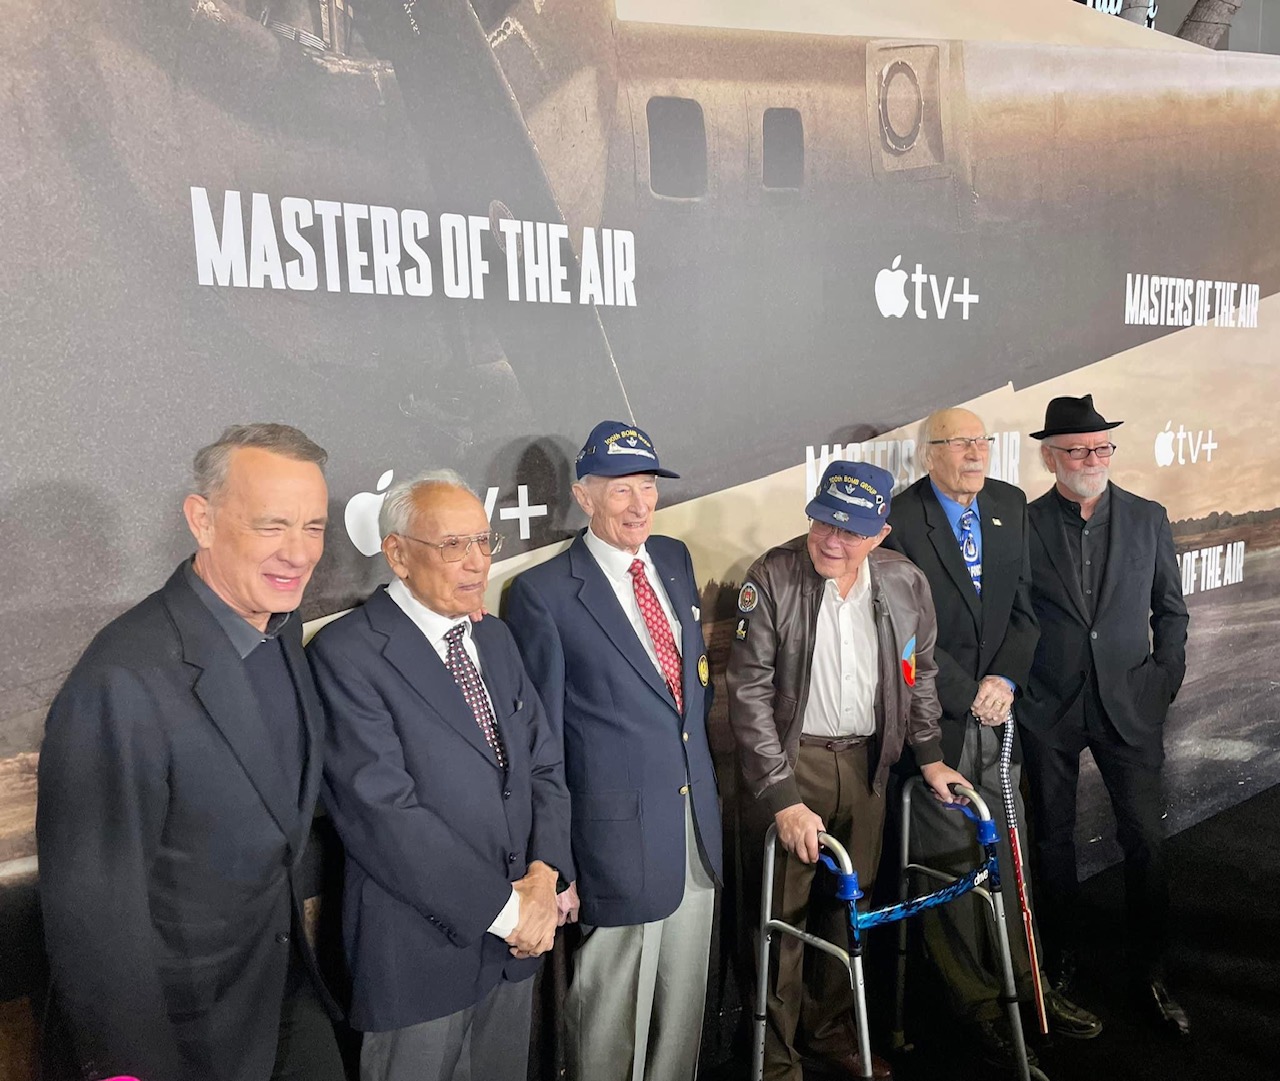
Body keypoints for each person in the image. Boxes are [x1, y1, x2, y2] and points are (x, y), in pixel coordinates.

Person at [37, 423, 344, 1081]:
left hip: (280, 990)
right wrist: (129, 1071)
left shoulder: (280, 630)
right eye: (272, 525)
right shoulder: (121, 679)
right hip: (181, 1038)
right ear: (202, 522)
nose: (299, 552)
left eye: (313, 527)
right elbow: (93, 915)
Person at [308, 471, 574, 1081]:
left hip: (516, 949)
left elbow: (543, 767)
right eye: (454, 546)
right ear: (397, 554)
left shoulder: (496, 640)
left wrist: (543, 874)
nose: (476, 563)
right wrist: (509, 913)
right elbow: (383, 816)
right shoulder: (346, 654)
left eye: (484, 543)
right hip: (418, 956)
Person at [727, 459, 970, 1081]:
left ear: (881, 533)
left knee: (848, 907)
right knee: (784, 921)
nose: (831, 541)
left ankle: (827, 1031)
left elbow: (918, 673)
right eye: (822, 523)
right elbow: (748, 691)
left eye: (850, 532)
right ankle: (776, 1059)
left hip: (868, 766)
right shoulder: (773, 575)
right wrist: (781, 795)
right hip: (792, 764)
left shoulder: (905, 583)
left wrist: (931, 754)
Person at [884, 408, 1101, 1067]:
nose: (976, 453)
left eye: (983, 441)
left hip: (1000, 718)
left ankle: (1029, 991)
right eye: (961, 443)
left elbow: (1025, 610)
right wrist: (964, 691)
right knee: (952, 871)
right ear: (930, 454)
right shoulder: (900, 516)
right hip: (937, 725)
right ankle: (979, 1008)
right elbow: (901, 631)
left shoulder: (1008, 505)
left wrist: (1004, 677)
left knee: (1010, 856)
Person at [505, 421, 721, 1081]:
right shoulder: (541, 596)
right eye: (621, 489)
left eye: (649, 486)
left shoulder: (676, 559)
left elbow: (691, 692)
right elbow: (542, 741)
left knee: (683, 1010)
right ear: (583, 495)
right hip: (612, 842)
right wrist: (556, 860)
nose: (639, 504)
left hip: (694, 829)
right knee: (608, 1014)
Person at [1022, 394, 1190, 1036]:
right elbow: (1015, 615)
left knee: (1146, 840)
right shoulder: (1024, 523)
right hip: (1049, 709)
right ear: (1050, 456)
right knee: (1050, 841)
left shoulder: (1149, 518)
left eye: (1101, 448)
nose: (1092, 459)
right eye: (1078, 450)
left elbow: (1170, 610)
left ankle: (1149, 973)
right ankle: (1060, 964)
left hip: (1131, 707)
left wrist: (1163, 680)